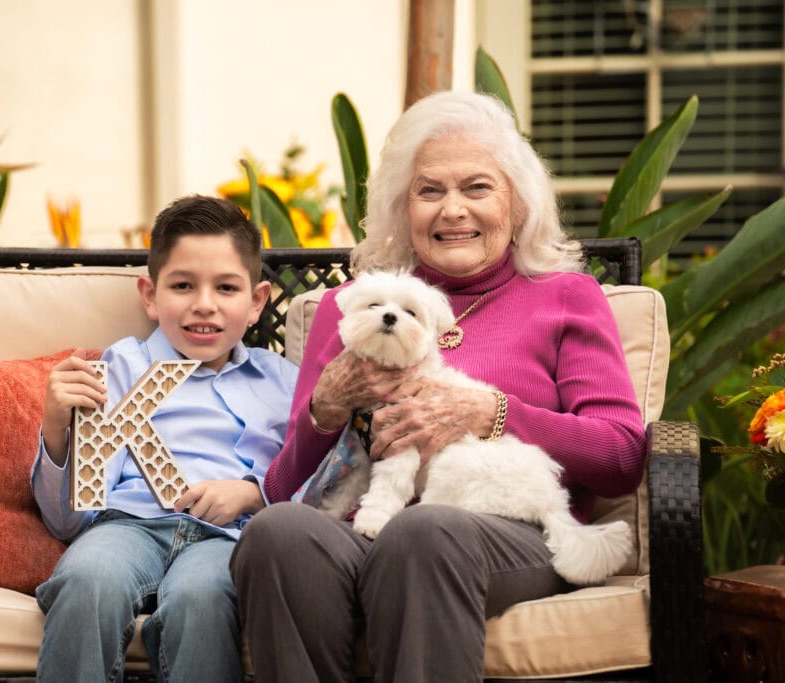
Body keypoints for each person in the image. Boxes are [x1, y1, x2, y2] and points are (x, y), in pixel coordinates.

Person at [229, 90, 647, 682]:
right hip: (363, 531)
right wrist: (324, 410)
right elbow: (280, 487)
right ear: (404, 209)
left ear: (518, 203)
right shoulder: (354, 309)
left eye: (476, 187)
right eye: (430, 191)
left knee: (423, 529)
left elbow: (622, 457)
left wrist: (495, 413)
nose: (452, 210)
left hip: (503, 535)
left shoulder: (564, 297)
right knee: (279, 533)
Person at [32, 194, 299, 683]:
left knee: (204, 598)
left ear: (257, 301)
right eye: (182, 285)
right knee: (86, 577)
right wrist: (55, 429)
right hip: (127, 527)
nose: (204, 304)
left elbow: (313, 485)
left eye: (226, 287)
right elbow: (68, 521)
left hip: (227, 538)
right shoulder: (120, 367)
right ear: (150, 296)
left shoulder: (282, 381)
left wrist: (254, 493)